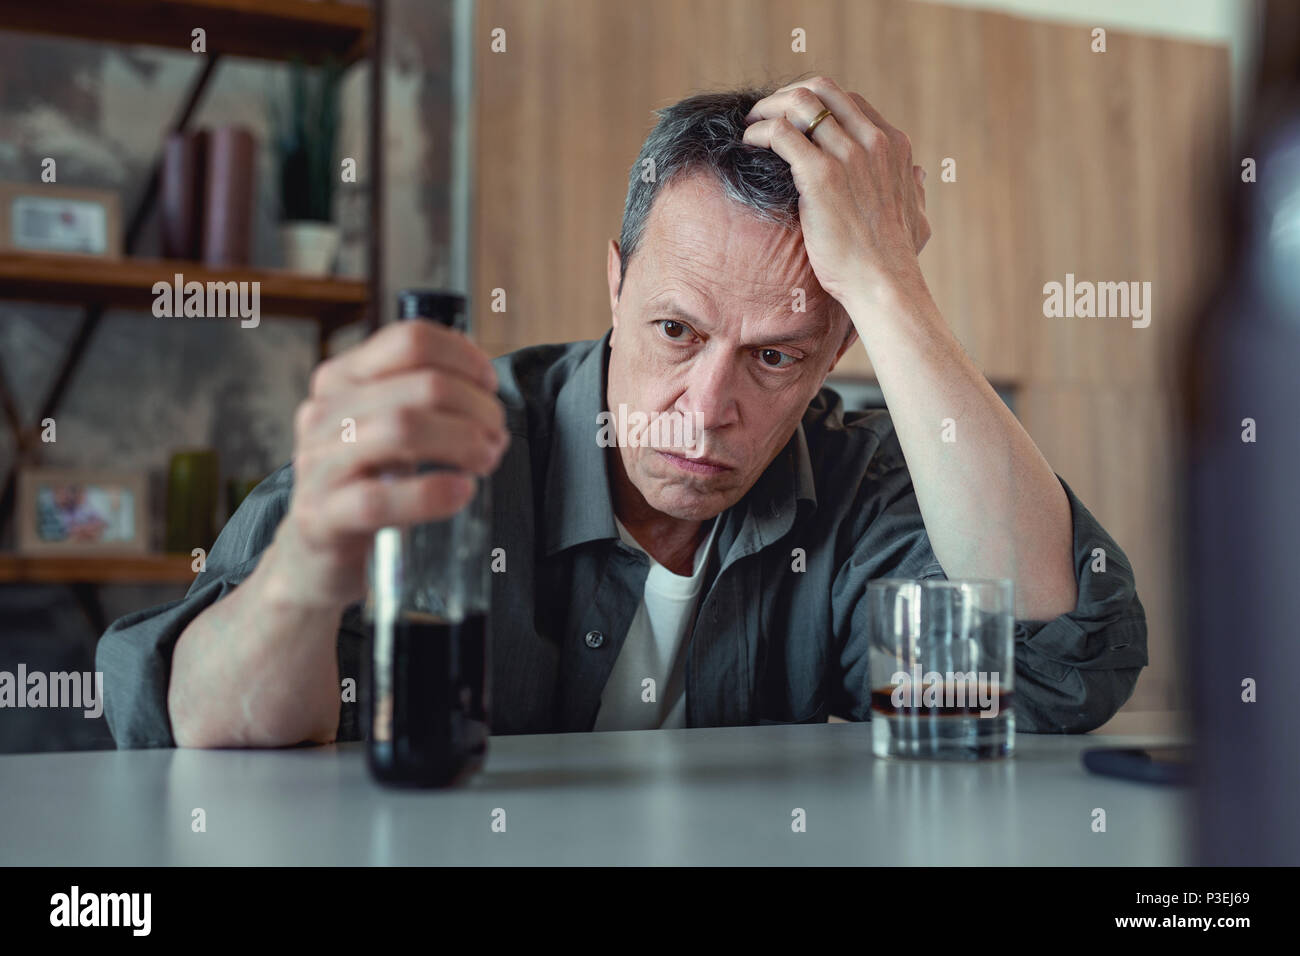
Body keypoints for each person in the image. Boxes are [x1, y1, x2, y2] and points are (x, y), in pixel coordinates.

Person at [98, 78, 1147, 748]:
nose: (707, 408)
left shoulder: (855, 477)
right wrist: (310, 565)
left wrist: (889, 289)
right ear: (614, 285)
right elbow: (192, 726)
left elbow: (1052, 669)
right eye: (676, 332)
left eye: (775, 355)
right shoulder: (451, 441)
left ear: (835, 352)